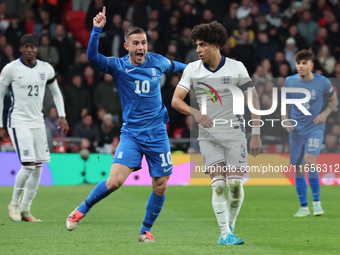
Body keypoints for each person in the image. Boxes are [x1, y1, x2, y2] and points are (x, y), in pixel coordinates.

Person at [65, 7, 186, 242]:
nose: (141, 47)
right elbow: (93, 57)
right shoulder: (119, 66)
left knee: (160, 185)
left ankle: (145, 230)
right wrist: (96, 31)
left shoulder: (158, 62)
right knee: (114, 182)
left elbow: (182, 68)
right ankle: (80, 210)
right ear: (126, 47)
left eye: (144, 42)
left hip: (158, 133)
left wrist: (202, 67)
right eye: (136, 43)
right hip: (131, 134)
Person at [171, 21, 262, 245]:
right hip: (208, 135)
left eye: (202, 45)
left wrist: (257, 132)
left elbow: (253, 99)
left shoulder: (237, 67)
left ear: (216, 45)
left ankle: (229, 228)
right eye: (196, 45)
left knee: (235, 185)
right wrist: (195, 113)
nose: (198, 50)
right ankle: (225, 234)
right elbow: (175, 100)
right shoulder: (192, 69)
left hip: (235, 133)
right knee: (219, 184)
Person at [0, 34, 69, 222]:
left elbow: (56, 91)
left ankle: (25, 209)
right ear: (20, 49)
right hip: (18, 121)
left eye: (33, 46)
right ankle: (13, 204)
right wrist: (0, 124)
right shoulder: (11, 69)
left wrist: (62, 115)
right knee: (29, 165)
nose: (29, 49)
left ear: (37, 49)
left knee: (38, 167)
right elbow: (0, 96)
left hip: (38, 122)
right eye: (26, 46)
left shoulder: (46, 69)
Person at [282, 49, 338, 217]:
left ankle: (317, 203)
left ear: (311, 65)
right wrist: (285, 119)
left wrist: (324, 114)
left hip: (314, 128)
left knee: (309, 161)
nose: (300, 66)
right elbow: (284, 103)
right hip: (296, 131)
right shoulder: (289, 82)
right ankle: (304, 207)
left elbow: (334, 100)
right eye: (298, 63)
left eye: (304, 63)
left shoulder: (323, 82)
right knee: (298, 169)